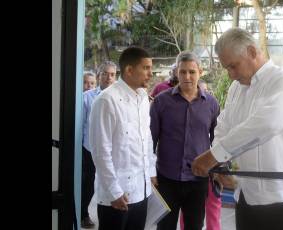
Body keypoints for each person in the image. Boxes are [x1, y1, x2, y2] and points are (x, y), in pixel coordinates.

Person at [191, 28, 283, 230]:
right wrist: (221, 166)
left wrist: (214, 155)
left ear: (252, 52)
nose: (230, 75)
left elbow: (266, 124)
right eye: (227, 69)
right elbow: (224, 126)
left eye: (233, 66)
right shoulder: (236, 88)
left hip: (281, 195)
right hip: (246, 193)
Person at [150, 51, 220, 230]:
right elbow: (150, 140)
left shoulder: (211, 104)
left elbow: (217, 140)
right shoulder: (161, 102)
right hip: (166, 179)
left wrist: (217, 170)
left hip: (198, 180)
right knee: (165, 227)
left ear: (200, 72)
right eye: (182, 72)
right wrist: (149, 172)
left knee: (194, 226)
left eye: (192, 72)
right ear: (176, 73)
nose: (187, 77)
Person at [89, 46, 157, 230]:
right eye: (146, 68)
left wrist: (151, 171)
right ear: (129, 70)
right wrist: (114, 191)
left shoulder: (143, 98)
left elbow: (147, 138)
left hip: (141, 190)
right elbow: (100, 151)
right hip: (116, 196)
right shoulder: (106, 101)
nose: (150, 74)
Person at [180, 78, 222, 230]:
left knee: (213, 205)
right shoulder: (181, 110)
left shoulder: (212, 106)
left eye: (204, 91)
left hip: (210, 167)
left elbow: (218, 137)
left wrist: (218, 165)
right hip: (187, 170)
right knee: (187, 211)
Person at [81, 61, 117, 228]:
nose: (109, 78)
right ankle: (83, 214)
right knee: (88, 185)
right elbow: (80, 126)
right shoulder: (87, 98)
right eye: (105, 74)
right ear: (98, 76)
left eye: (112, 74)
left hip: (113, 152)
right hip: (89, 150)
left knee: (111, 184)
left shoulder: (120, 98)